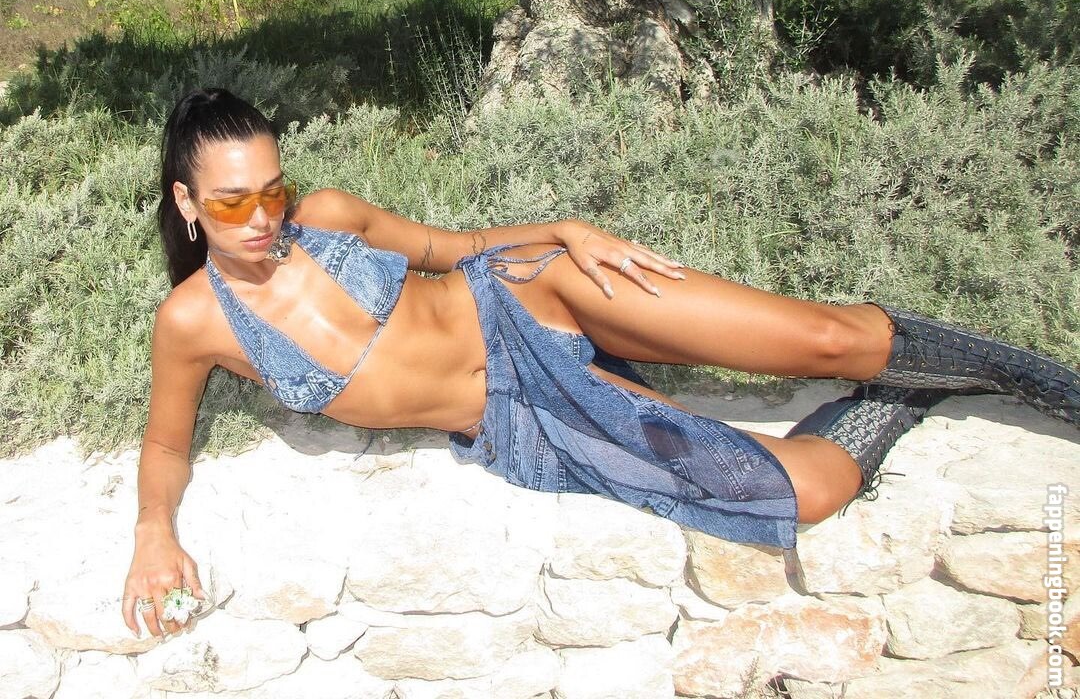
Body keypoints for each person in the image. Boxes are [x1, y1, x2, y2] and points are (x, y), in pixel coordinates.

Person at [122, 88, 1079, 640]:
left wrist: (563, 231)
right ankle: (913, 393)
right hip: (527, 419)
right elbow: (166, 446)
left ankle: (1036, 378)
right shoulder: (193, 322)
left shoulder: (328, 217)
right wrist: (153, 534)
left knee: (828, 340)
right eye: (235, 202)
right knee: (807, 490)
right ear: (188, 202)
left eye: (274, 190)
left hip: (530, 295)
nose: (266, 218)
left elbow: (455, 248)